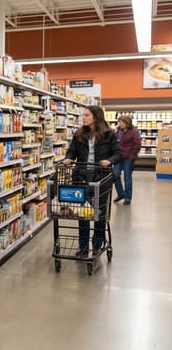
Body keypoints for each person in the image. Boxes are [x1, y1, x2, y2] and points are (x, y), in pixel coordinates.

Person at [63, 106, 121, 258]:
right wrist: (69, 158)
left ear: (96, 116)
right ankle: (83, 247)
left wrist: (109, 160)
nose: (83, 118)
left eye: (87, 115)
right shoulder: (79, 134)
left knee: (98, 213)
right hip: (81, 177)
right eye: (83, 115)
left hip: (101, 178)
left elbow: (118, 153)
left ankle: (97, 245)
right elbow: (72, 150)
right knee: (82, 214)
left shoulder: (109, 134)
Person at [113, 115, 141, 205]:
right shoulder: (118, 130)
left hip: (128, 157)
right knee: (115, 175)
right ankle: (121, 194)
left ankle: (128, 198)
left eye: (121, 122)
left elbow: (137, 144)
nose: (120, 123)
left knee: (127, 177)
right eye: (119, 122)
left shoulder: (134, 131)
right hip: (118, 157)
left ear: (127, 122)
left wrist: (132, 155)